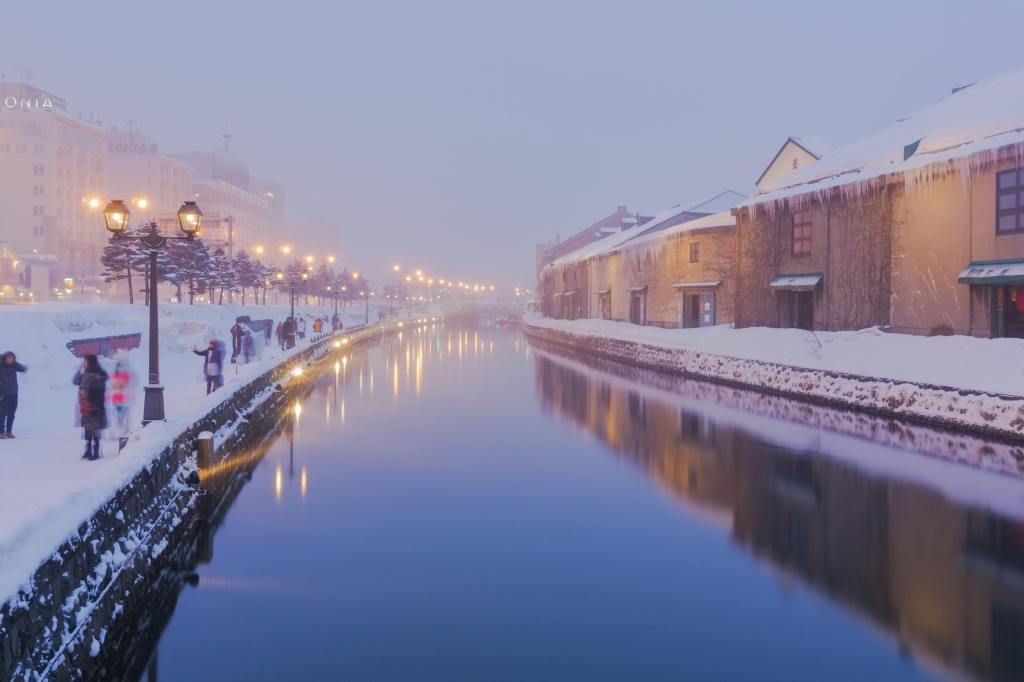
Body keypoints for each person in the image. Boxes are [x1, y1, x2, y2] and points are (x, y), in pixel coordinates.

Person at [73, 355, 108, 460]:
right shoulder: (88, 372)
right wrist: (80, 369)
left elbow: (97, 390)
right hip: (89, 406)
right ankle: (89, 451)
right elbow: (76, 381)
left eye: (85, 361)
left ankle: (95, 453)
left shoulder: (94, 373)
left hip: (93, 405)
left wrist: (93, 405)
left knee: (94, 429)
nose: (84, 363)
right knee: (89, 429)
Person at [0, 351, 27, 439]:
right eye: (9, 358)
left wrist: (14, 363)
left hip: (13, 393)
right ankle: (1, 432)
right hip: (3, 394)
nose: (10, 359)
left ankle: (9, 431)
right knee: (2, 413)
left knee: (12, 413)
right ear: (5, 358)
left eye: (12, 358)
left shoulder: (14, 365)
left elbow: (22, 369)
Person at [109, 352, 134, 435]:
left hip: (118, 397)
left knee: (120, 414)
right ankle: (123, 428)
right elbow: (128, 384)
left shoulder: (114, 375)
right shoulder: (125, 375)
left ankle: (120, 428)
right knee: (123, 414)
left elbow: (112, 385)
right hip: (122, 398)